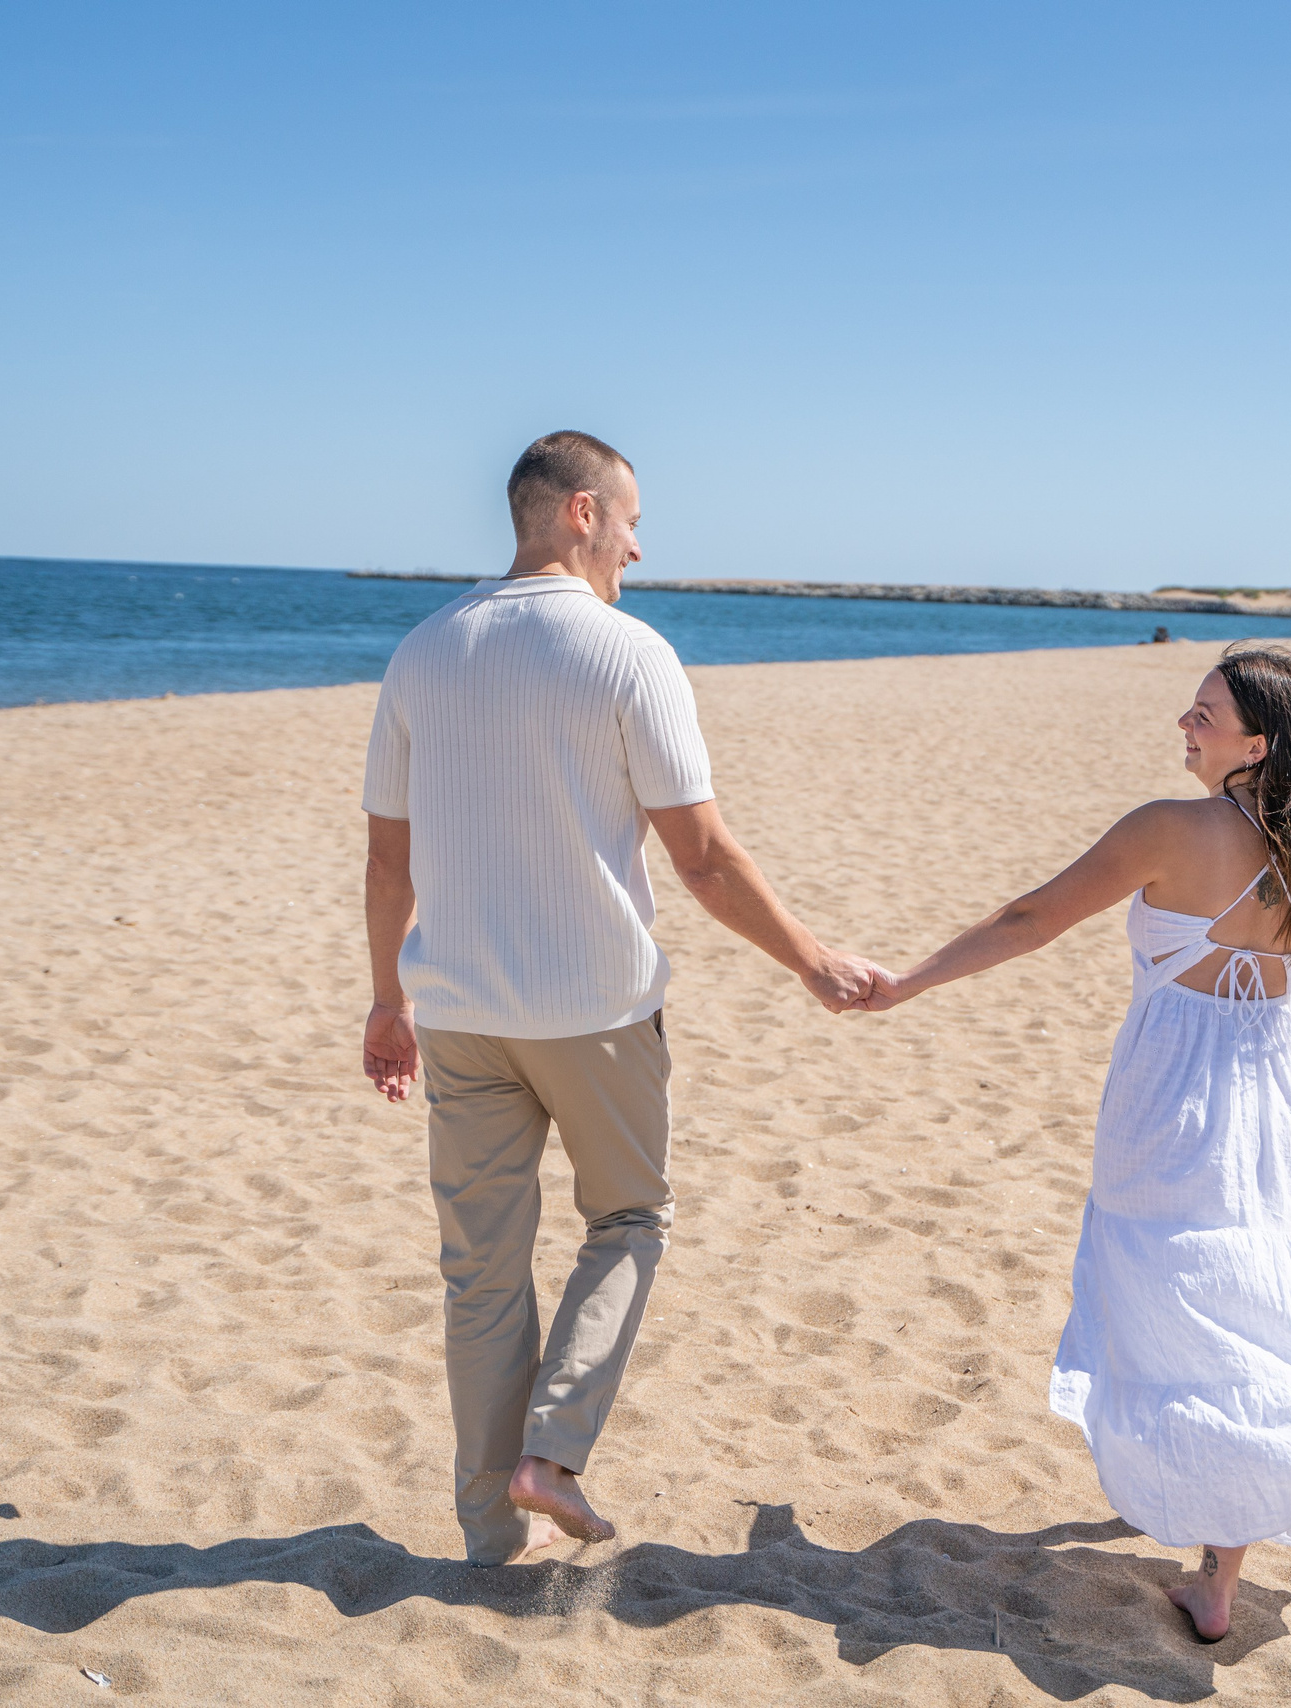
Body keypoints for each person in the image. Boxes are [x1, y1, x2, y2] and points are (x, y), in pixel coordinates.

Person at [360, 430, 878, 1565]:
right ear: (580, 512)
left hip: (456, 1012)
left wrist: (383, 999)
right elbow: (701, 857)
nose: (640, 546)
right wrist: (808, 957)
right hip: (594, 1008)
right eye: (632, 520)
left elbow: (387, 862)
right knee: (630, 1220)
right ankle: (551, 1447)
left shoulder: (420, 652)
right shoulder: (629, 652)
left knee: (480, 1278)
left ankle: (489, 1532)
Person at [860, 645, 1291, 1642]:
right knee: (1248, 1290)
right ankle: (1220, 1569)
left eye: (1202, 714)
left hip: (1174, 1087)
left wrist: (912, 980)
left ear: (1257, 740)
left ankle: (1201, 1507)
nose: (1182, 727)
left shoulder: (1170, 828)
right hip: (1274, 1086)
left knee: (1167, 1286)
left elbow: (1032, 918)